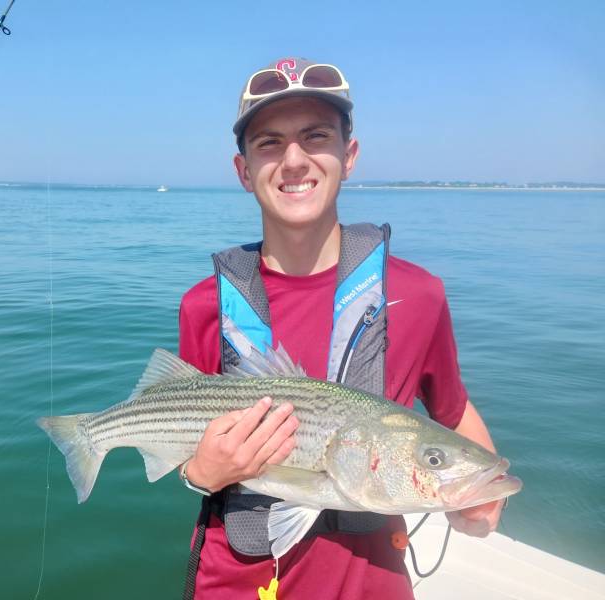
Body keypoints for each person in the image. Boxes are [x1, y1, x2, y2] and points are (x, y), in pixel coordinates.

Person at [177, 57, 504, 599]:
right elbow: (186, 431)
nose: (294, 160)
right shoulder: (203, 305)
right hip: (233, 581)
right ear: (242, 169)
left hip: (370, 584)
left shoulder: (420, 294)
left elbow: (452, 411)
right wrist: (199, 474)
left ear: (348, 156)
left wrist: (485, 492)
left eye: (316, 136)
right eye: (270, 143)